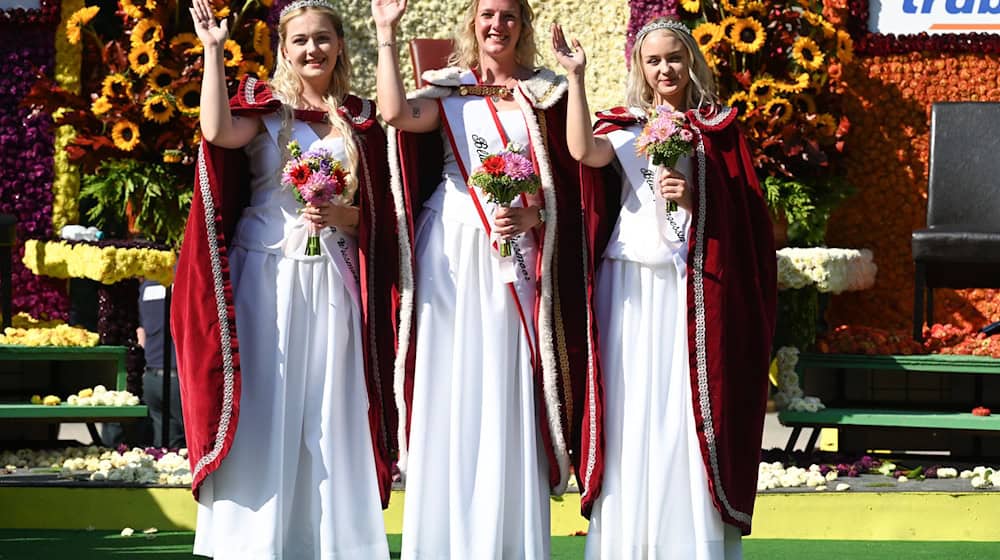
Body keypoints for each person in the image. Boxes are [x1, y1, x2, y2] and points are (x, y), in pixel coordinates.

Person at [371, 0, 604, 557]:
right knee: (449, 380)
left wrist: (535, 216)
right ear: (472, 25)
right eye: (486, 16)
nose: (496, 25)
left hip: (516, 252)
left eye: (507, 16)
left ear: (521, 27)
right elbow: (394, 115)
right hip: (451, 246)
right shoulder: (448, 90)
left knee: (505, 381)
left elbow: (574, 185)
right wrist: (385, 34)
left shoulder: (546, 94)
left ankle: (503, 540)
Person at [172, 0, 400, 557]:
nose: (312, 50)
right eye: (299, 41)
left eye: (322, 39)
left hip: (333, 279)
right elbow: (216, 130)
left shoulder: (362, 119)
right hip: (266, 277)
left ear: (339, 45)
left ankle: (329, 543)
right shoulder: (263, 109)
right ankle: (250, 543)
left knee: (331, 407)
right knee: (266, 405)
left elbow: (382, 212)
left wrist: (344, 217)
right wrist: (211, 51)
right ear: (284, 50)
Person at [554, 17, 777, 559]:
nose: (664, 69)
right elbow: (584, 152)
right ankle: (631, 540)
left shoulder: (717, 130)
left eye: (673, 58)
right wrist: (577, 79)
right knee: (631, 404)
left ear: (691, 61)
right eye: (653, 60)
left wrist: (696, 198)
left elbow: (743, 217)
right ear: (640, 67)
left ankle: (686, 538)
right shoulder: (627, 126)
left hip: (690, 290)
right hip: (628, 282)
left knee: (683, 408)